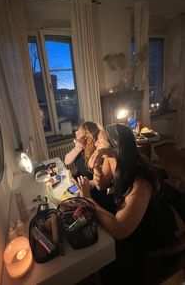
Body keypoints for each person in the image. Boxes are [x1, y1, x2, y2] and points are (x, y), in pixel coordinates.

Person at [77, 123, 177, 284]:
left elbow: (120, 230)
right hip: (131, 218)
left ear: (115, 146)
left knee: (118, 250)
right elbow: (102, 184)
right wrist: (96, 166)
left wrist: (88, 200)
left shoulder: (140, 182)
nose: (95, 143)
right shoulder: (111, 157)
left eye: (100, 142)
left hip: (151, 228)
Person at [64, 122, 112, 206]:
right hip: (79, 184)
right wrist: (78, 148)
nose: (75, 132)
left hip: (94, 190)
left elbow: (108, 179)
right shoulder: (81, 147)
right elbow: (66, 161)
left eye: (79, 131)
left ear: (88, 138)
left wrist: (91, 183)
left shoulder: (101, 153)